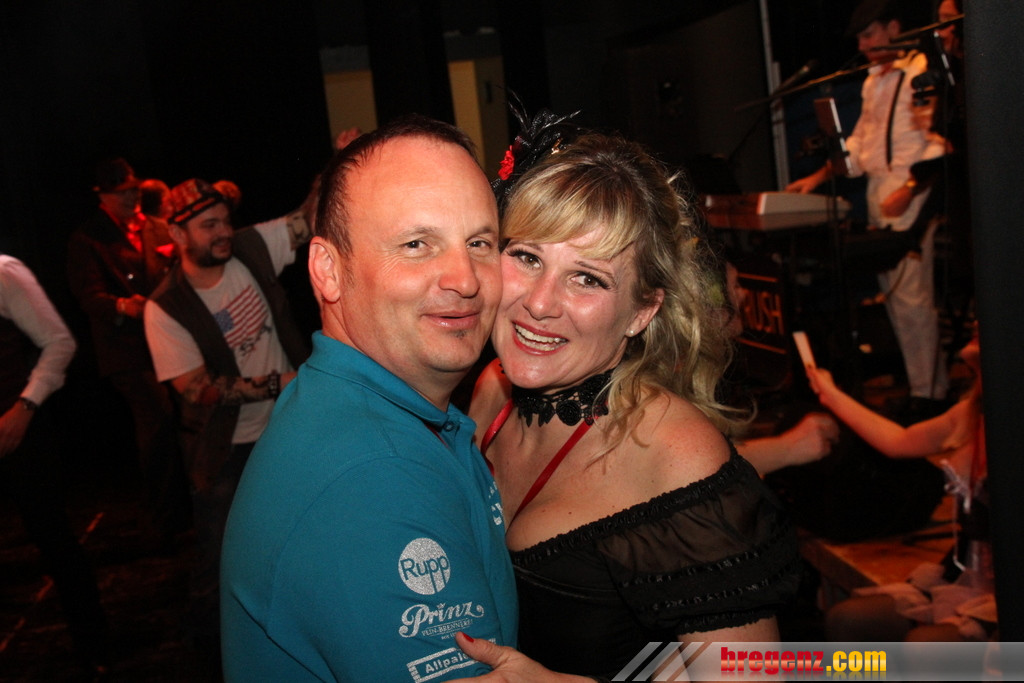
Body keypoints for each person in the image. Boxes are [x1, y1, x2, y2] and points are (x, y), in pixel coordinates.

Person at [462, 131, 802, 680]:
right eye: (526, 256)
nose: (540, 303)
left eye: (587, 278)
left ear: (642, 312)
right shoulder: (491, 390)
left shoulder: (675, 453)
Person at [221, 116, 517, 682]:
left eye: (479, 243)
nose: (465, 278)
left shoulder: (359, 409)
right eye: (416, 244)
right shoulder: (375, 474)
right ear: (328, 271)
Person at [143, 177, 311, 669]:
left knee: (303, 533)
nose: (223, 232)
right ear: (178, 234)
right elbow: (196, 388)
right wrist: (280, 381)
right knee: (220, 556)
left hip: (288, 426)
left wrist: (343, 154)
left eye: (224, 220)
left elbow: (310, 216)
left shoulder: (250, 247)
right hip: (226, 447)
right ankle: (209, 651)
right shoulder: (165, 307)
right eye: (208, 225)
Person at [787, 0, 950, 416]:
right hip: (880, 194)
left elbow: (938, 143)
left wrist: (911, 188)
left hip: (910, 193)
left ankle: (931, 395)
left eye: (869, 34)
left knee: (913, 298)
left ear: (894, 28)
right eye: (859, 38)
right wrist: (818, 177)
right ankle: (922, 387)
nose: (862, 45)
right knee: (895, 298)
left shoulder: (919, 72)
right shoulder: (873, 81)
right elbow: (860, 146)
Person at [806, 332, 994, 641]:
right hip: (968, 574)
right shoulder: (970, 412)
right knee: (847, 620)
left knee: (923, 646)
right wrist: (831, 394)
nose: (976, 324)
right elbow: (899, 441)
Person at [67, 157, 190, 548]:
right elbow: (89, 297)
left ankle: (179, 513)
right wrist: (123, 306)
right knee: (158, 422)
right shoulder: (88, 238)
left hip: (169, 341)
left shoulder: (157, 227)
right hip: (127, 351)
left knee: (181, 420)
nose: (131, 197)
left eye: (134, 189)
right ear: (103, 196)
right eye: (122, 192)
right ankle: (159, 519)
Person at [1, 252, 110, 675]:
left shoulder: (4, 272)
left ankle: (94, 647)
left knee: (54, 540)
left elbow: (60, 342)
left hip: (17, 429)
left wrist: (24, 407)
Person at [717, 261, 841, 475]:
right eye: (735, 285)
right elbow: (695, 464)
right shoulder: (676, 366)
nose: (744, 294)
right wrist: (787, 448)